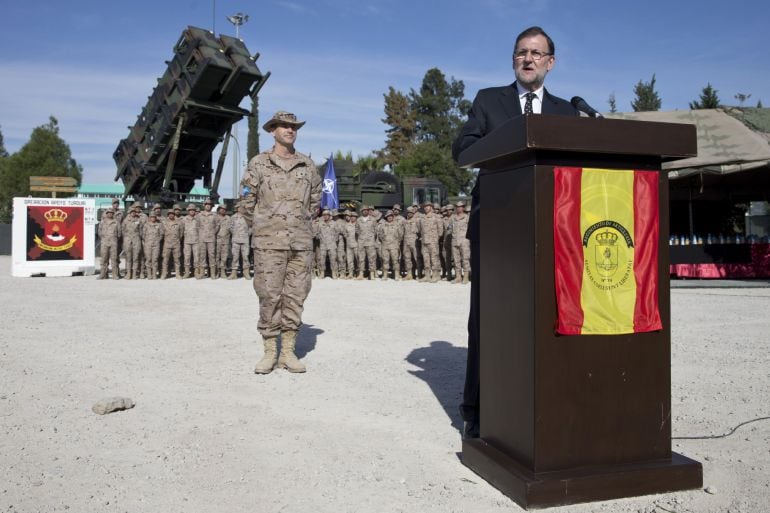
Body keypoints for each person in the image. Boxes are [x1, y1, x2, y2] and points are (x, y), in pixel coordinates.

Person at [451, 26, 579, 439]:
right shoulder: (490, 101)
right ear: (513, 60)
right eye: (521, 52)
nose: (528, 59)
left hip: (553, 231)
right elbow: (464, 149)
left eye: (536, 53)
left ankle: (551, 405)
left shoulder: (567, 112)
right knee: (489, 318)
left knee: (548, 317)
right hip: (497, 227)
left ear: (550, 62)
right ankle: (479, 408)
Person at [240, 110, 322, 374]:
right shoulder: (259, 163)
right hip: (268, 243)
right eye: (284, 126)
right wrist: (266, 227)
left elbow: (316, 201)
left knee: (296, 296)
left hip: (300, 243)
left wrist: (299, 225)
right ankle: (269, 352)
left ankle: (288, 352)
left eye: (293, 126)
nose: (290, 130)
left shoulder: (307, 165)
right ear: (272, 130)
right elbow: (246, 203)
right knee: (269, 295)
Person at [229, 204, 251, 279]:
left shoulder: (247, 217)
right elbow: (230, 227)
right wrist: (235, 233)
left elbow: (251, 227)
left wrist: (247, 234)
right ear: (237, 208)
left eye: (243, 207)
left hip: (245, 239)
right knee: (235, 257)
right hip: (235, 239)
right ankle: (234, 273)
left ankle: (246, 273)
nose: (241, 208)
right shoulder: (233, 217)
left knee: (245, 257)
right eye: (240, 207)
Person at [98, 209, 121, 279]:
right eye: (108, 213)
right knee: (104, 259)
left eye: (111, 213)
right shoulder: (102, 222)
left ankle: (115, 274)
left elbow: (119, 233)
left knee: (114, 259)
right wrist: (104, 238)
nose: (110, 214)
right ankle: (103, 274)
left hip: (113, 243)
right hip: (104, 242)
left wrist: (114, 238)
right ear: (106, 214)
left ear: (113, 214)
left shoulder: (116, 222)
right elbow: (99, 231)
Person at [215, 205, 232, 279]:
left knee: (224, 257)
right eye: (221, 209)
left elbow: (231, 228)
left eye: (224, 209)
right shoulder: (215, 217)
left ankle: (223, 271)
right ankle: (217, 271)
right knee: (217, 256)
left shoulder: (228, 218)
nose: (223, 210)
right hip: (217, 240)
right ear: (218, 210)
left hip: (225, 240)